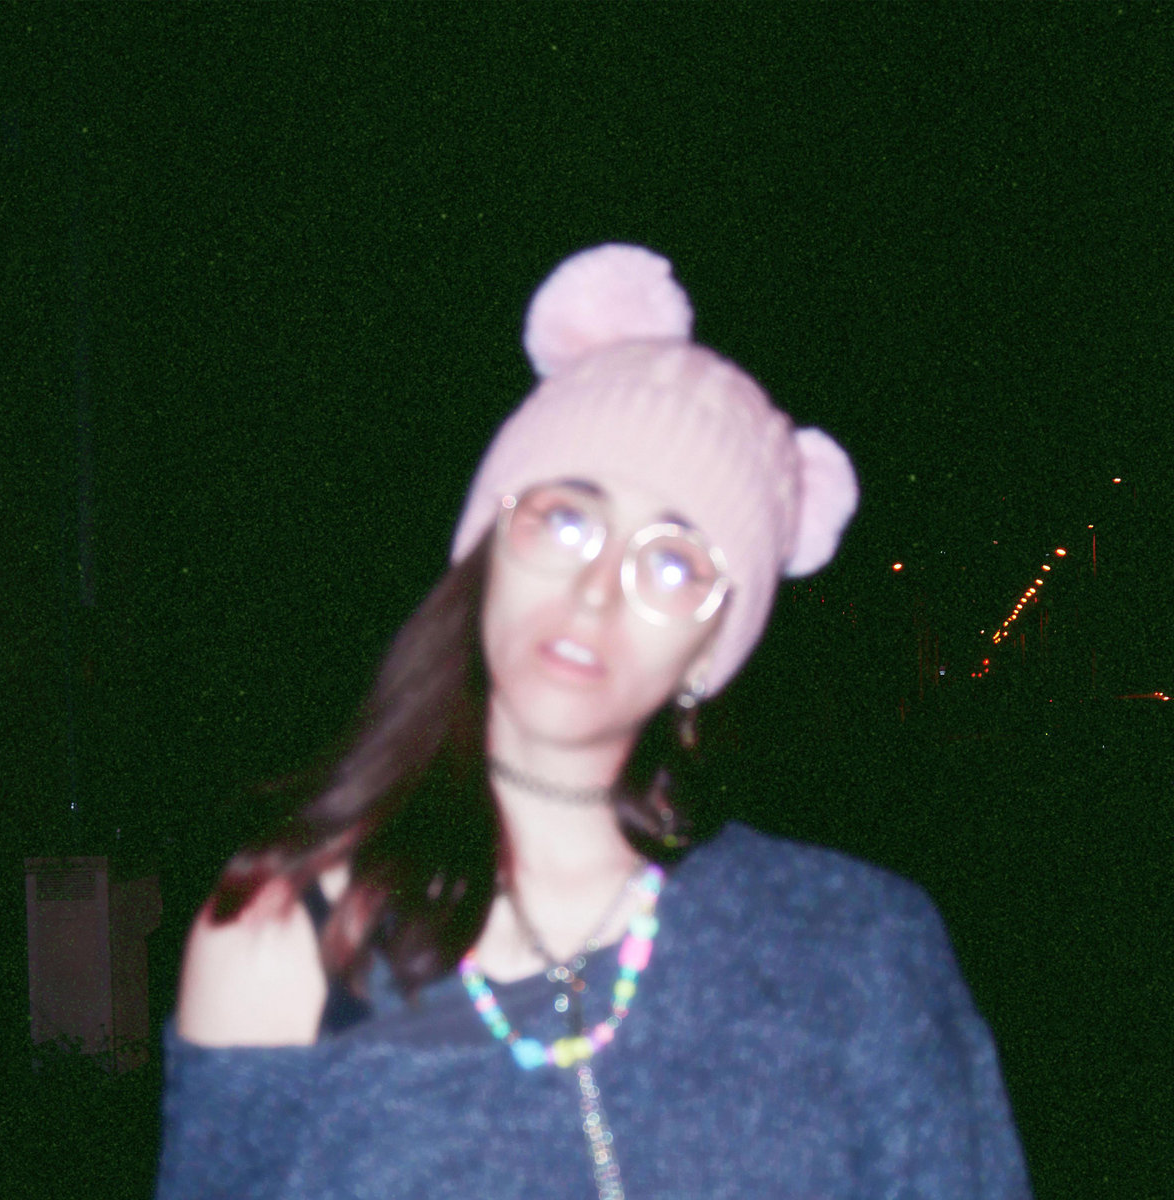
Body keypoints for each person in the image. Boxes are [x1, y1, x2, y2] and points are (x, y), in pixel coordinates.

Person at [157, 244, 1031, 1199]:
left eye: (673, 565)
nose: (597, 589)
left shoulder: (856, 946)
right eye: (568, 520)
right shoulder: (287, 940)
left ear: (710, 649)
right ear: (490, 546)